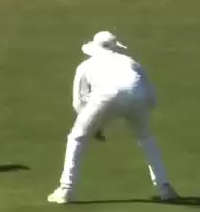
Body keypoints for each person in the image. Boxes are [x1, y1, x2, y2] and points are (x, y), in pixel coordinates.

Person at [49, 31, 178, 204]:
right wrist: (141, 117)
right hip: (137, 95)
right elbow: (151, 96)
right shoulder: (132, 62)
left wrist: (95, 127)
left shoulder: (85, 66)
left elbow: (78, 102)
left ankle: (66, 189)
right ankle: (165, 187)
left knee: (77, 137)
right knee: (146, 139)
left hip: (105, 95)